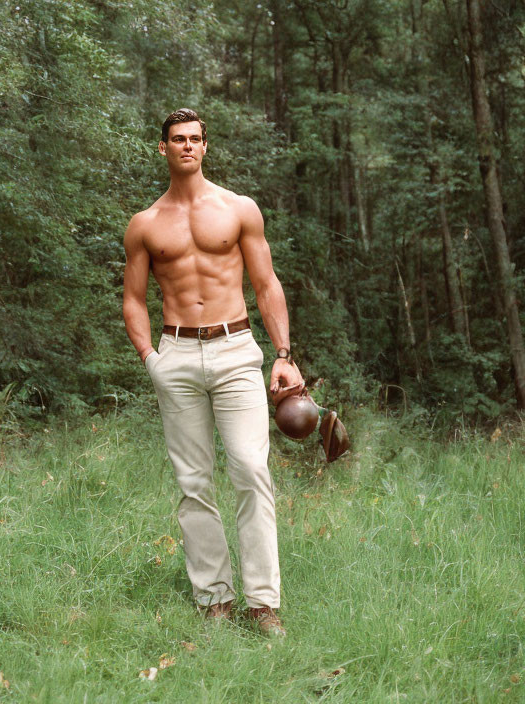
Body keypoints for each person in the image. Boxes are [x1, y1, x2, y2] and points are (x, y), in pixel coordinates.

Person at [122, 108, 304, 637]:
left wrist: (284, 354)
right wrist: (150, 359)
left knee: (250, 469)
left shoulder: (238, 209)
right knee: (193, 481)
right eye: (177, 139)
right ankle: (214, 601)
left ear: (206, 147)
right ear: (163, 149)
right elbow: (133, 301)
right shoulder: (145, 224)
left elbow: (266, 284)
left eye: (195, 139)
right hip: (175, 354)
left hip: (235, 349)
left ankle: (263, 605)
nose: (186, 146)